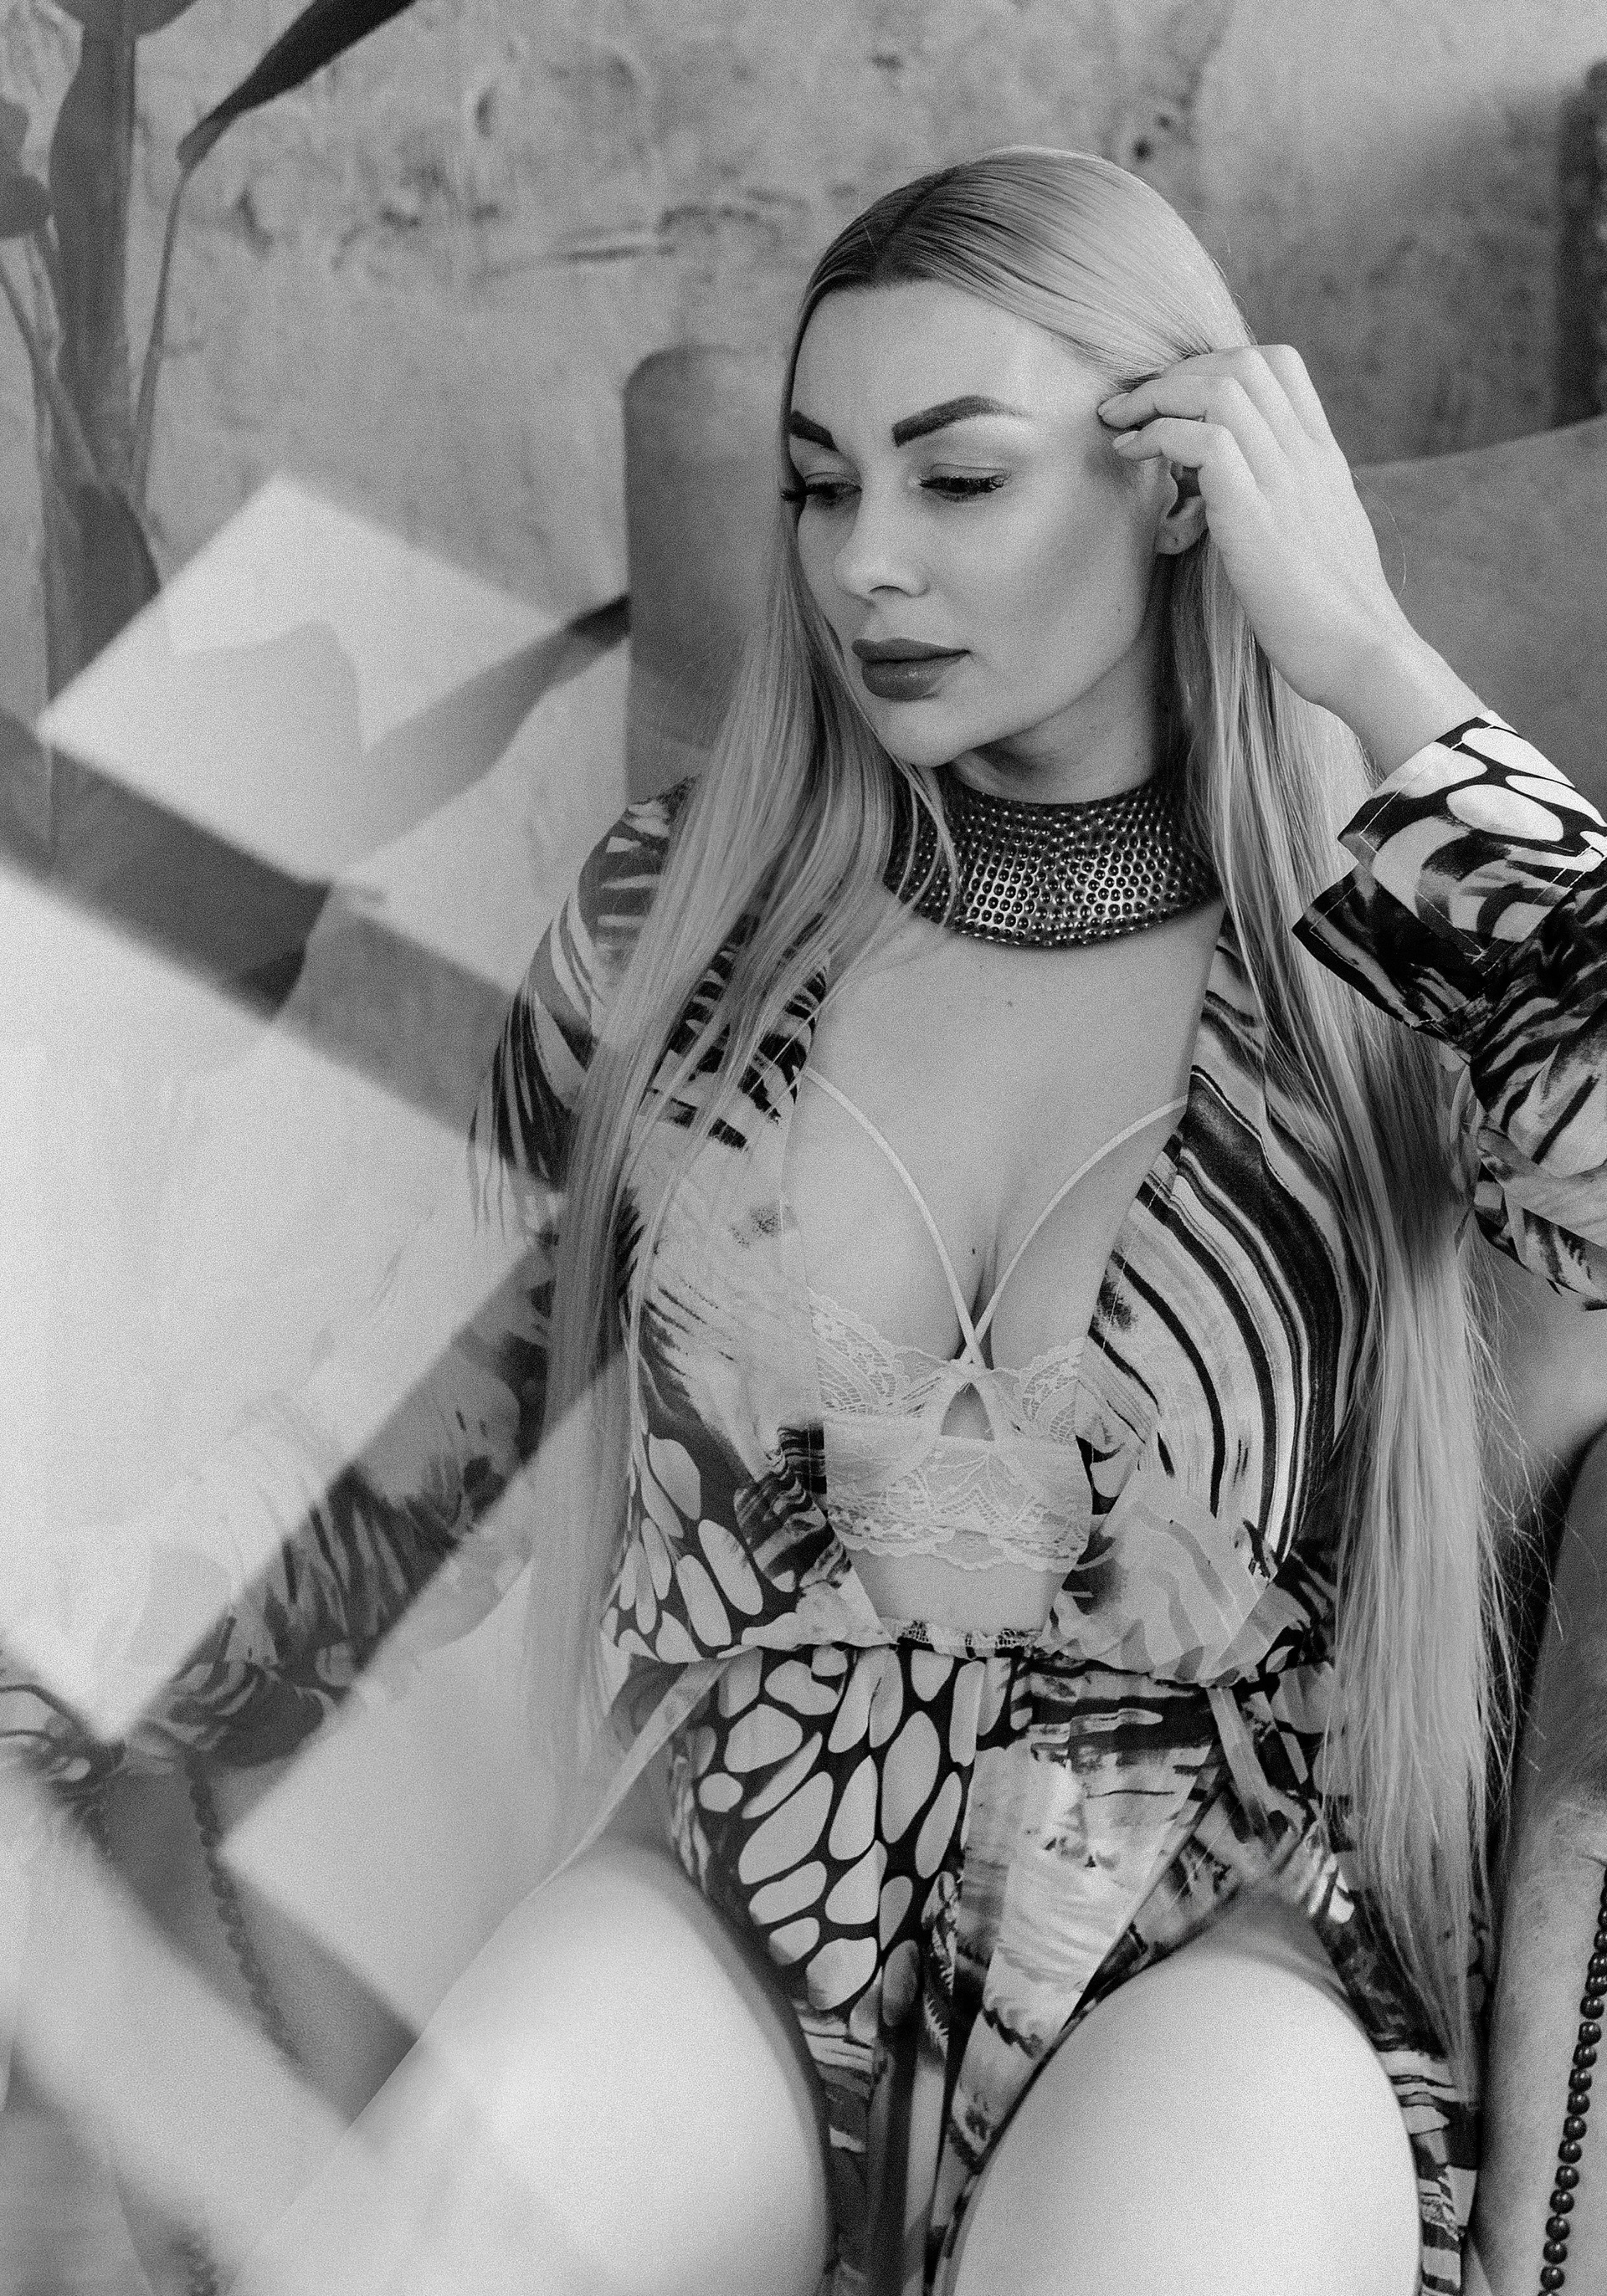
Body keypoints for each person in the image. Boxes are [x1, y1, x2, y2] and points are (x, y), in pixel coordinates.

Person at [8, 147, 1607, 2296]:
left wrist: (1368, 654)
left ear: (1178, 492)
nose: (867, 565)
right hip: (749, 1876)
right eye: (819, 486)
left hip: (1216, 1936)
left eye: (959, 480)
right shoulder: (682, 927)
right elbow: (430, 1419)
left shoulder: (1379, 950)